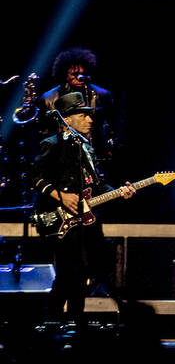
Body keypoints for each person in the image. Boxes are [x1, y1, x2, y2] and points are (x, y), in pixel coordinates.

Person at [31, 92, 135, 324]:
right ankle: (51, 322)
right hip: (60, 220)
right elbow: (35, 177)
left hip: (86, 220)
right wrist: (61, 196)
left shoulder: (87, 148)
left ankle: (75, 324)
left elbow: (96, 184)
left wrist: (120, 192)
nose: (90, 120)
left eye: (90, 116)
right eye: (83, 115)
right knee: (69, 273)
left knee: (83, 273)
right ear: (66, 119)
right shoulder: (52, 144)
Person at [40, 47, 119, 170]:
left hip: (97, 154)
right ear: (64, 73)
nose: (80, 77)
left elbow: (113, 123)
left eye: (83, 74)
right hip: (63, 157)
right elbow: (45, 131)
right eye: (74, 74)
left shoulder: (102, 95)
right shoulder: (49, 98)